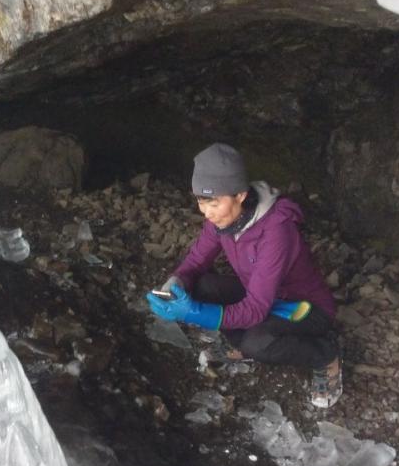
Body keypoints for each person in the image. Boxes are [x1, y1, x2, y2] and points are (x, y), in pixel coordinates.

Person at [146, 142, 342, 408]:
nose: (206, 212)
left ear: (239, 195)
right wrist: (174, 284)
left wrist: (192, 313)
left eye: (214, 203)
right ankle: (242, 345)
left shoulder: (276, 231)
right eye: (201, 202)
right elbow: (196, 261)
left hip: (305, 308)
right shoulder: (221, 219)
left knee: (258, 344)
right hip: (263, 296)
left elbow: (256, 309)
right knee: (204, 285)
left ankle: (325, 355)